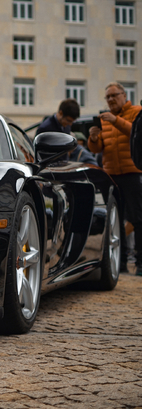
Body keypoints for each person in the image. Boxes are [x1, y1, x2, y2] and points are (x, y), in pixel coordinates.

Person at [88, 82, 142, 276]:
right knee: (115, 220)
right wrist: (93, 139)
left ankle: (140, 263)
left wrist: (115, 120)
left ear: (124, 95)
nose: (111, 100)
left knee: (137, 218)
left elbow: (136, 133)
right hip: (111, 174)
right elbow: (97, 149)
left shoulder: (136, 112)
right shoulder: (103, 119)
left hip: (133, 171)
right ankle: (120, 264)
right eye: (108, 97)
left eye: (114, 95)